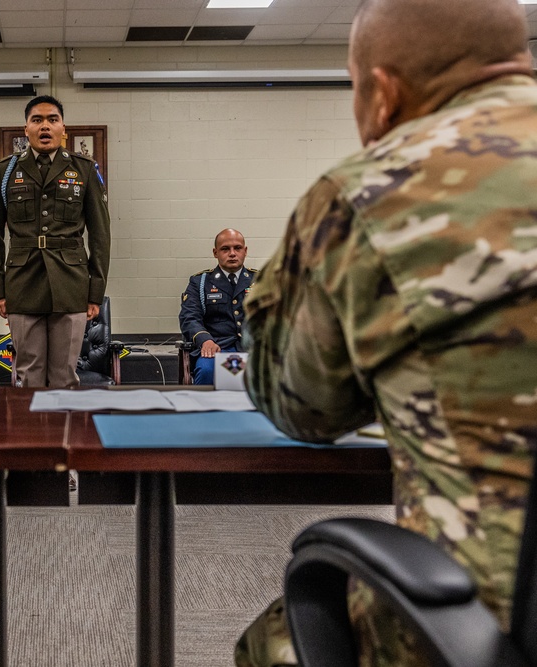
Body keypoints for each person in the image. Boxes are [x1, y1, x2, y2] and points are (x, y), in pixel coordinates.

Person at [236, 0, 537, 664]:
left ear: (383, 90)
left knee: (273, 644)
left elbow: (302, 407)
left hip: (490, 617)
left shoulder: (368, 190)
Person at [0, 95, 111, 388]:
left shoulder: (84, 169)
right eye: (37, 120)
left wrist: (95, 291)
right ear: (25, 129)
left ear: (62, 128)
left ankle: (63, 435)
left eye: (52, 119)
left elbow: (101, 235)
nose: (45, 126)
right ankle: (30, 436)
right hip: (22, 283)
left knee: (65, 376)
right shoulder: (5, 171)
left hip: (71, 283)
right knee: (28, 375)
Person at [178, 228, 256, 385]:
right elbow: (189, 317)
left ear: (245, 251)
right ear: (215, 253)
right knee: (206, 371)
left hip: (253, 348)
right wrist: (205, 340)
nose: (232, 253)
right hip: (216, 348)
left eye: (237, 248)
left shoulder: (261, 281)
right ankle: (203, 409)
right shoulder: (200, 283)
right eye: (225, 249)